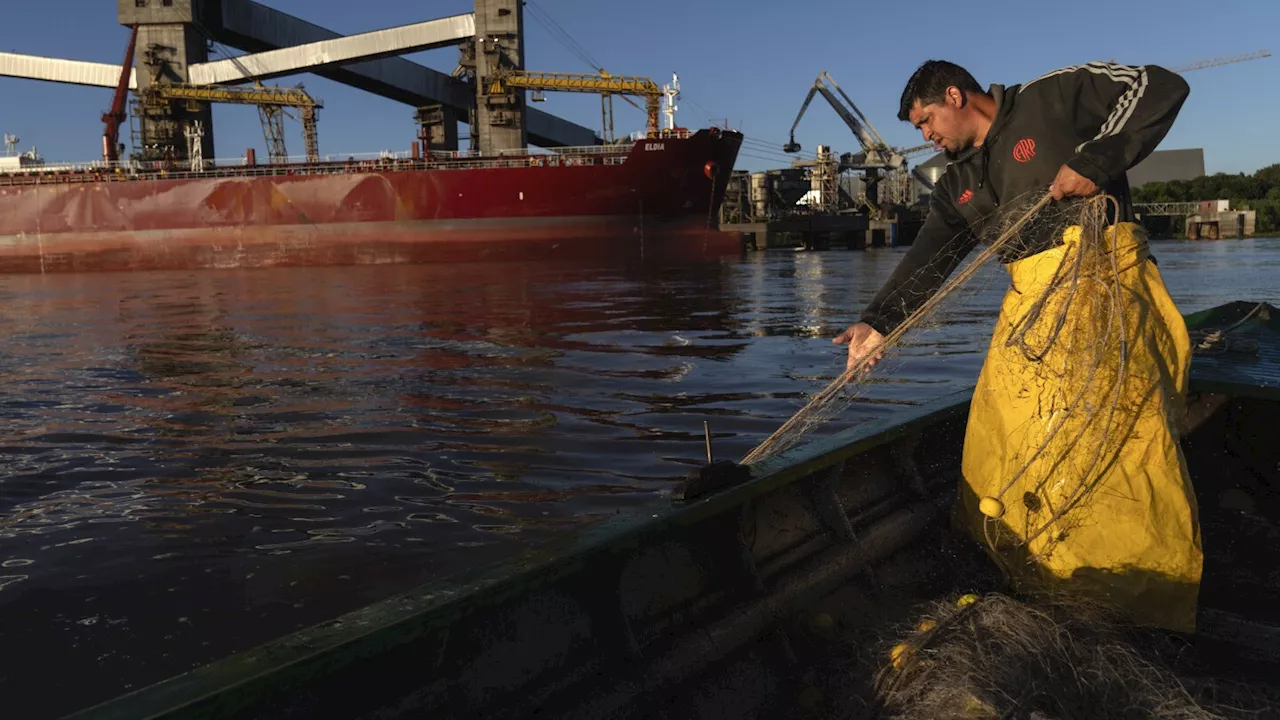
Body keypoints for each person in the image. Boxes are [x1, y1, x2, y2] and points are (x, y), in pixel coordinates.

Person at [834, 59, 1202, 633]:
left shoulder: (1050, 98)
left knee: (1117, 447)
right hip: (1032, 309)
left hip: (1103, 291)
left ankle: (1138, 606)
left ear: (955, 96)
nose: (926, 135)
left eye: (927, 120)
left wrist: (1096, 158)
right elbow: (931, 253)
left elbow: (1157, 84)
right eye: (918, 129)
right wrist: (878, 321)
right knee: (998, 437)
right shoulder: (956, 180)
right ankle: (1033, 581)